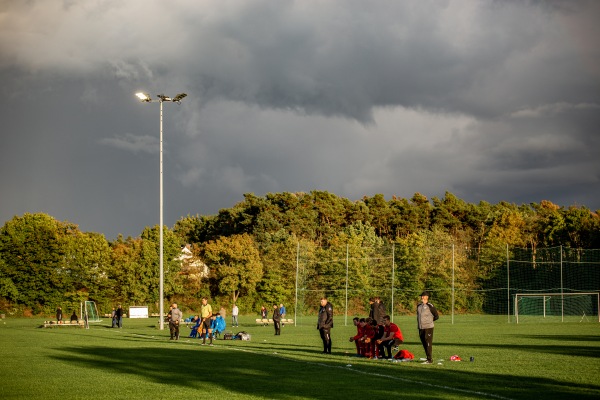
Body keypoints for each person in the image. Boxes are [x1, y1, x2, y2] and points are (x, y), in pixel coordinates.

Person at [417, 291, 439, 364]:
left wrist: (430, 321)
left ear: (426, 297)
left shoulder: (430, 306)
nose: (421, 297)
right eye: (421, 296)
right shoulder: (419, 306)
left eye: (423, 296)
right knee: (424, 343)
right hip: (421, 327)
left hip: (428, 327)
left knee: (428, 343)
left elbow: (436, 316)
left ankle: (429, 360)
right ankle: (427, 357)